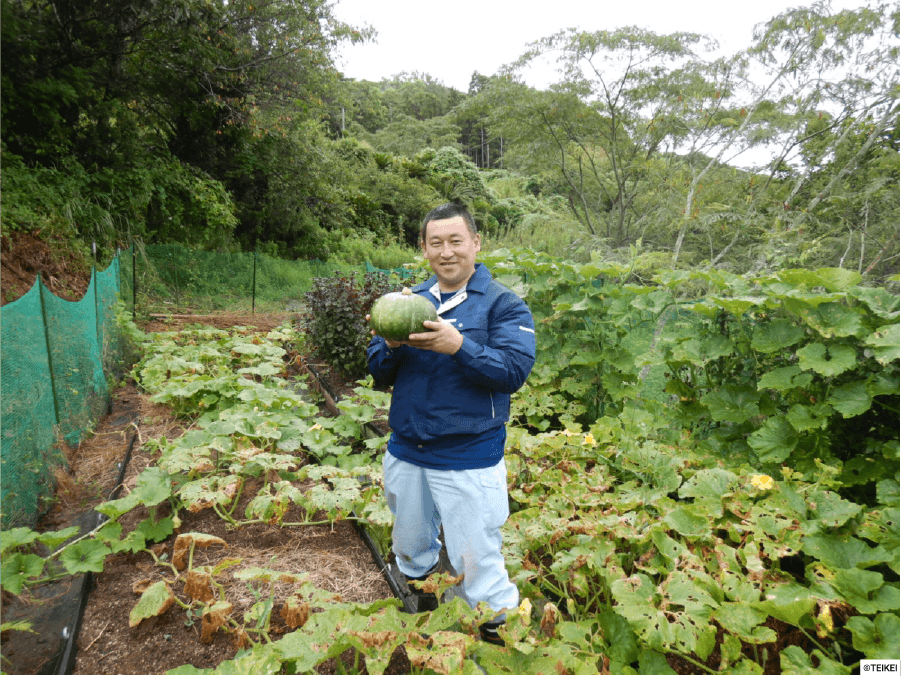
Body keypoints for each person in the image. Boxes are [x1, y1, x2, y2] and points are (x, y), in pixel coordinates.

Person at [366, 203, 536, 645]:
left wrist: (459, 345)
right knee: (410, 547)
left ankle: (499, 643)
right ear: (424, 249)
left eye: (455, 241)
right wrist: (388, 344)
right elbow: (379, 372)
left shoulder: (504, 305)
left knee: (476, 562)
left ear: (475, 244)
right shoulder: (407, 303)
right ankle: (423, 610)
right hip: (407, 451)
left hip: (469, 458)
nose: (446, 252)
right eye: (435, 243)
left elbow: (513, 371)